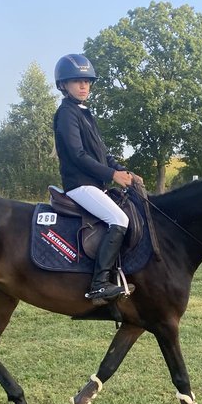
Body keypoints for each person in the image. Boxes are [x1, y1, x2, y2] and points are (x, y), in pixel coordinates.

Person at [52, 53, 144, 301]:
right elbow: (78, 155)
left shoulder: (84, 114)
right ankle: (99, 284)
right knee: (119, 219)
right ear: (63, 85)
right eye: (76, 81)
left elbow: (102, 154)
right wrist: (112, 175)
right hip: (79, 185)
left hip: (94, 184)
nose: (84, 86)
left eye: (87, 81)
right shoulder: (67, 114)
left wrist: (125, 172)